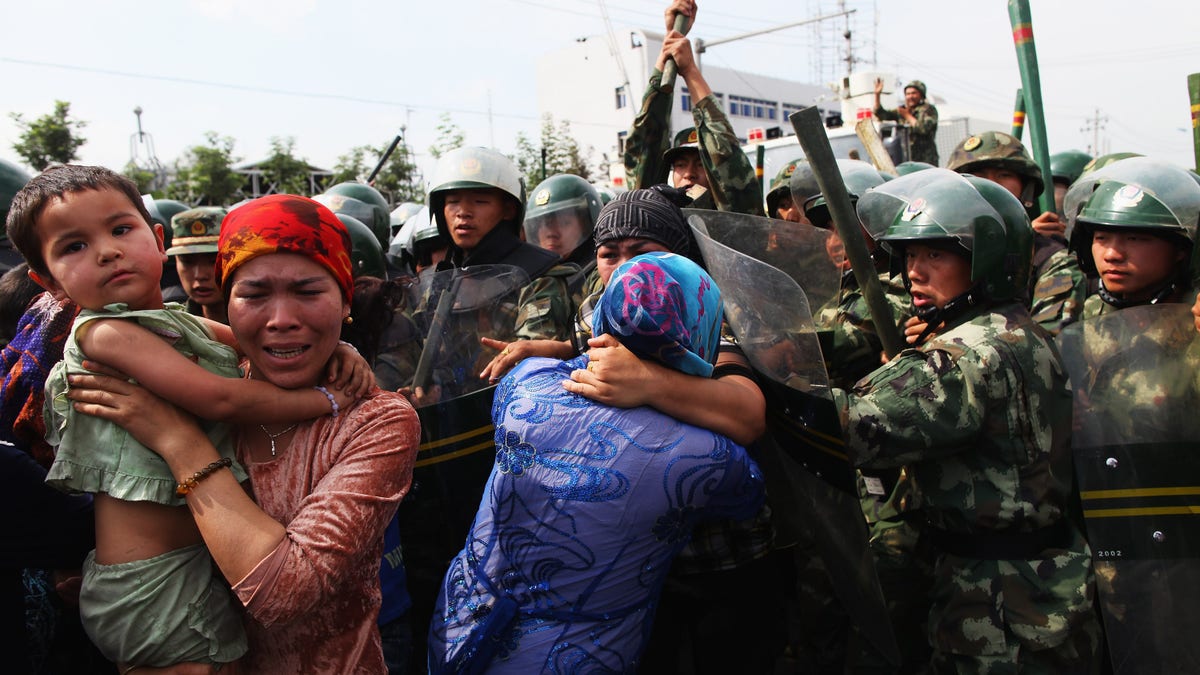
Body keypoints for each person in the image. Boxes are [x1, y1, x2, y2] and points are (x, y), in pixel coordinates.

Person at [6, 168, 372, 671]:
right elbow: (221, 400)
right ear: (46, 281)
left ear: (157, 240)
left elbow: (260, 342)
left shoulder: (176, 323)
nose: (107, 251)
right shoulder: (105, 335)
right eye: (73, 246)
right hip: (151, 581)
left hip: (194, 566)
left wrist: (339, 346)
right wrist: (327, 399)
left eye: (120, 230)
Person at [428, 251, 764, 673]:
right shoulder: (705, 455)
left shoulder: (527, 381)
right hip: (573, 656)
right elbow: (747, 494)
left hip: (460, 622)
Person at [836, 169, 1101, 672]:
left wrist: (743, 384)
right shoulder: (1015, 329)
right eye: (910, 254)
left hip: (998, 608)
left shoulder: (967, 355)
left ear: (987, 261)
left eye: (935, 254)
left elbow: (849, 426)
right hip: (1042, 586)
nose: (914, 270)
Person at [623, 0, 764, 216]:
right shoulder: (658, 221)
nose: (689, 174)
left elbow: (726, 158)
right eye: (680, 165)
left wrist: (689, 70)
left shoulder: (737, 221)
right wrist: (666, 51)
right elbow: (644, 149)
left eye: (700, 164)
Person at [947, 131, 1087, 336]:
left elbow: (1046, 345)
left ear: (1026, 188)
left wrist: (949, 334)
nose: (990, 184)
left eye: (1004, 175)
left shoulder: (1052, 260)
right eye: (978, 176)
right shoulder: (940, 251)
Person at [165, 206, 227, 323]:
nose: (200, 275)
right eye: (187, 262)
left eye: (213, 261)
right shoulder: (173, 327)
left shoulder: (261, 323)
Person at [873, 78, 939, 166]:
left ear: (921, 95)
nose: (910, 96)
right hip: (906, 160)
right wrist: (877, 95)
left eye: (914, 93)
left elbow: (923, 128)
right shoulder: (903, 110)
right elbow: (881, 114)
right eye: (907, 94)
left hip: (925, 161)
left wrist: (907, 115)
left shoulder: (928, 110)